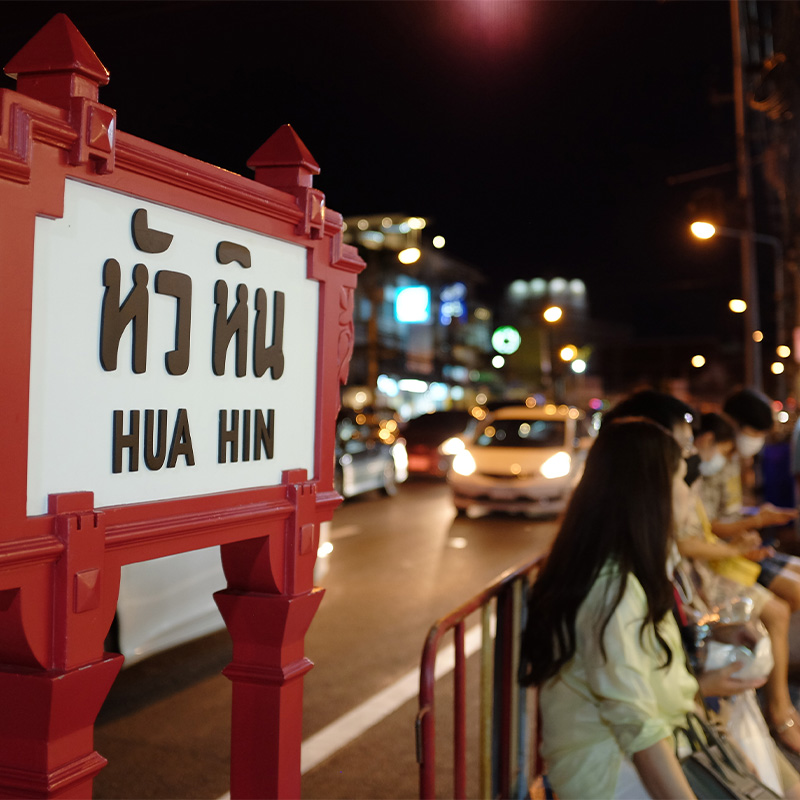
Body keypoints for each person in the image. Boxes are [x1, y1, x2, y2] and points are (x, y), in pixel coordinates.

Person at [520, 418, 699, 799]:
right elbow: (639, 730)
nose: (689, 492)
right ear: (651, 492)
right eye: (682, 478)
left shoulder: (627, 572)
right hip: (607, 774)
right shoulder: (611, 589)